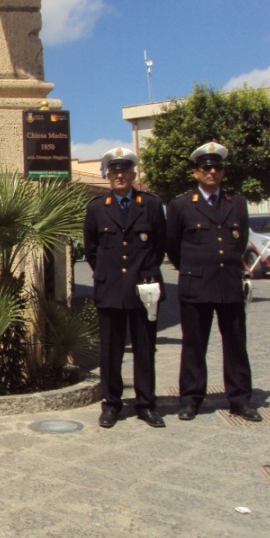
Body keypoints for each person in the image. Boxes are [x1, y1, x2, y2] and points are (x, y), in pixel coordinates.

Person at [166, 142, 262, 422]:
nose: (212, 172)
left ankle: (240, 399)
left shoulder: (237, 203)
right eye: (206, 168)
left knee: (235, 344)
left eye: (217, 167)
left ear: (223, 172)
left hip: (228, 284)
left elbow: (240, 240)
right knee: (194, 345)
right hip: (195, 284)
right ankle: (191, 399)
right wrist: (193, 270)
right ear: (196, 173)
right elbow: (173, 246)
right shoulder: (181, 205)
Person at [84, 147, 167, 429]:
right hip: (110, 290)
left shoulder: (151, 205)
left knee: (145, 349)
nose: (120, 176)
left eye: (125, 171)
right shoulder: (96, 208)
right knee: (110, 351)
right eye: (114, 171)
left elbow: (159, 246)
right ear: (108, 175)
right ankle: (111, 404)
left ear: (133, 174)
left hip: (143, 288)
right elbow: (92, 250)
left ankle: (146, 404)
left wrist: (144, 274)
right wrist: (109, 276)